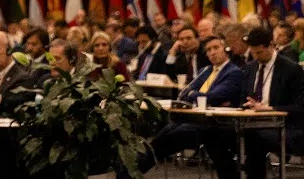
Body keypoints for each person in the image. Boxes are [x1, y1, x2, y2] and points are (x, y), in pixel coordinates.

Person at [119, 35, 242, 179]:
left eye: (216, 48)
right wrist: (195, 94)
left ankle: (127, 174)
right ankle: (128, 172)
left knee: (167, 140)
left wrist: (194, 94)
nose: (212, 52)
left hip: (215, 123)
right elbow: (184, 93)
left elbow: (213, 96)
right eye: (209, 50)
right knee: (159, 139)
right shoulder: (206, 70)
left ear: (225, 49)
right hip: (193, 119)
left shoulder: (233, 72)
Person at [207, 27, 304, 179]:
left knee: (254, 138)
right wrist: (246, 105)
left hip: (282, 125)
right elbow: (242, 99)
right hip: (250, 122)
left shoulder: (291, 69)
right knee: (212, 134)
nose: (256, 57)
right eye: (253, 53)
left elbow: (300, 107)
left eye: (259, 52)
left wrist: (269, 109)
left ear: (271, 45)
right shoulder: (250, 67)